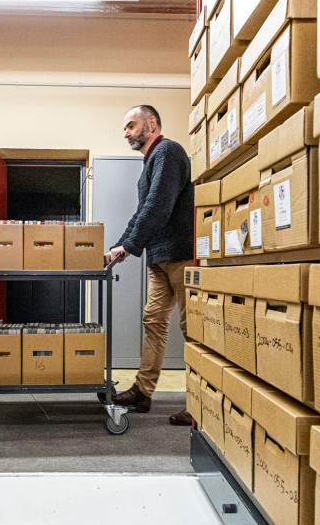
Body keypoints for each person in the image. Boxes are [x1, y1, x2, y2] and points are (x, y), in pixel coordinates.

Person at [104, 105, 194, 426]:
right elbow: (141, 213)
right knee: (153, 320)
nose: (126, 132)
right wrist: (119, 247)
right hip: (160, 258)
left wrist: (129, 247)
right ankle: (143, 392)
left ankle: (200, 404)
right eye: (125, 128)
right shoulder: (150, 163)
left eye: (131, 125)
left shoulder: (168, 152)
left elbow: (158, 206)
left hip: (183, 256)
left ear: (151, 123)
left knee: (192, 327)